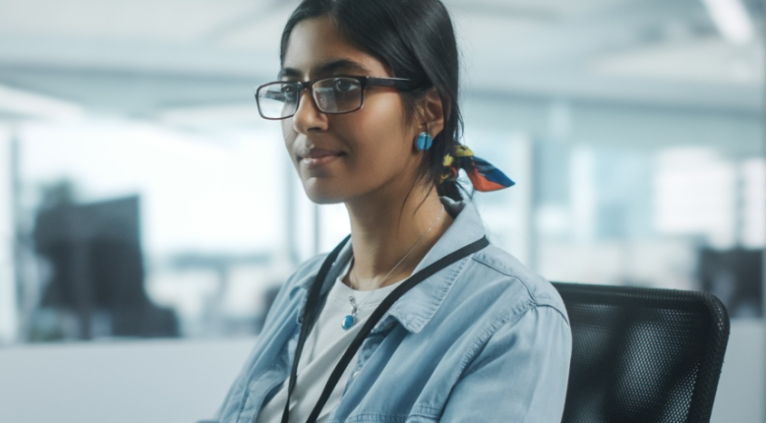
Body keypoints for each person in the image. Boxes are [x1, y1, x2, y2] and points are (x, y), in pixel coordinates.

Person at [214, 0, 572, 422]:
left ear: (429, 112)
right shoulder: (305, 287)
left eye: (342, 86)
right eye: (293, 90)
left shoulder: (513, 318)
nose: (304, 118)